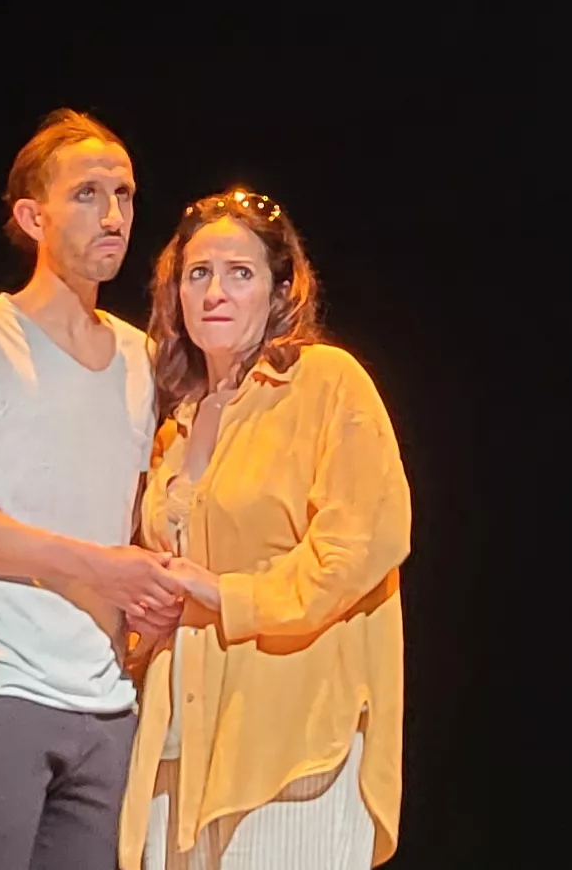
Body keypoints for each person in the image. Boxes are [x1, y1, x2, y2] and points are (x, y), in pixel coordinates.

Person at [0, 109, 192, 870]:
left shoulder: (139, 359)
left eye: (124, 195)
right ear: (33, 216)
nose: (115, 215)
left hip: (103, 707)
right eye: (88, 193)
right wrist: (98, 568)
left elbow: (135, 521)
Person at [119, 188, 409, 870]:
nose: (215, 291)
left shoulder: (326, 384)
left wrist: (225, 594)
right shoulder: (173, 426)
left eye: (239, 273)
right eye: (198, 273)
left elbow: (361, 544)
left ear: (282, 289)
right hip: (176, 751)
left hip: (292, 739)